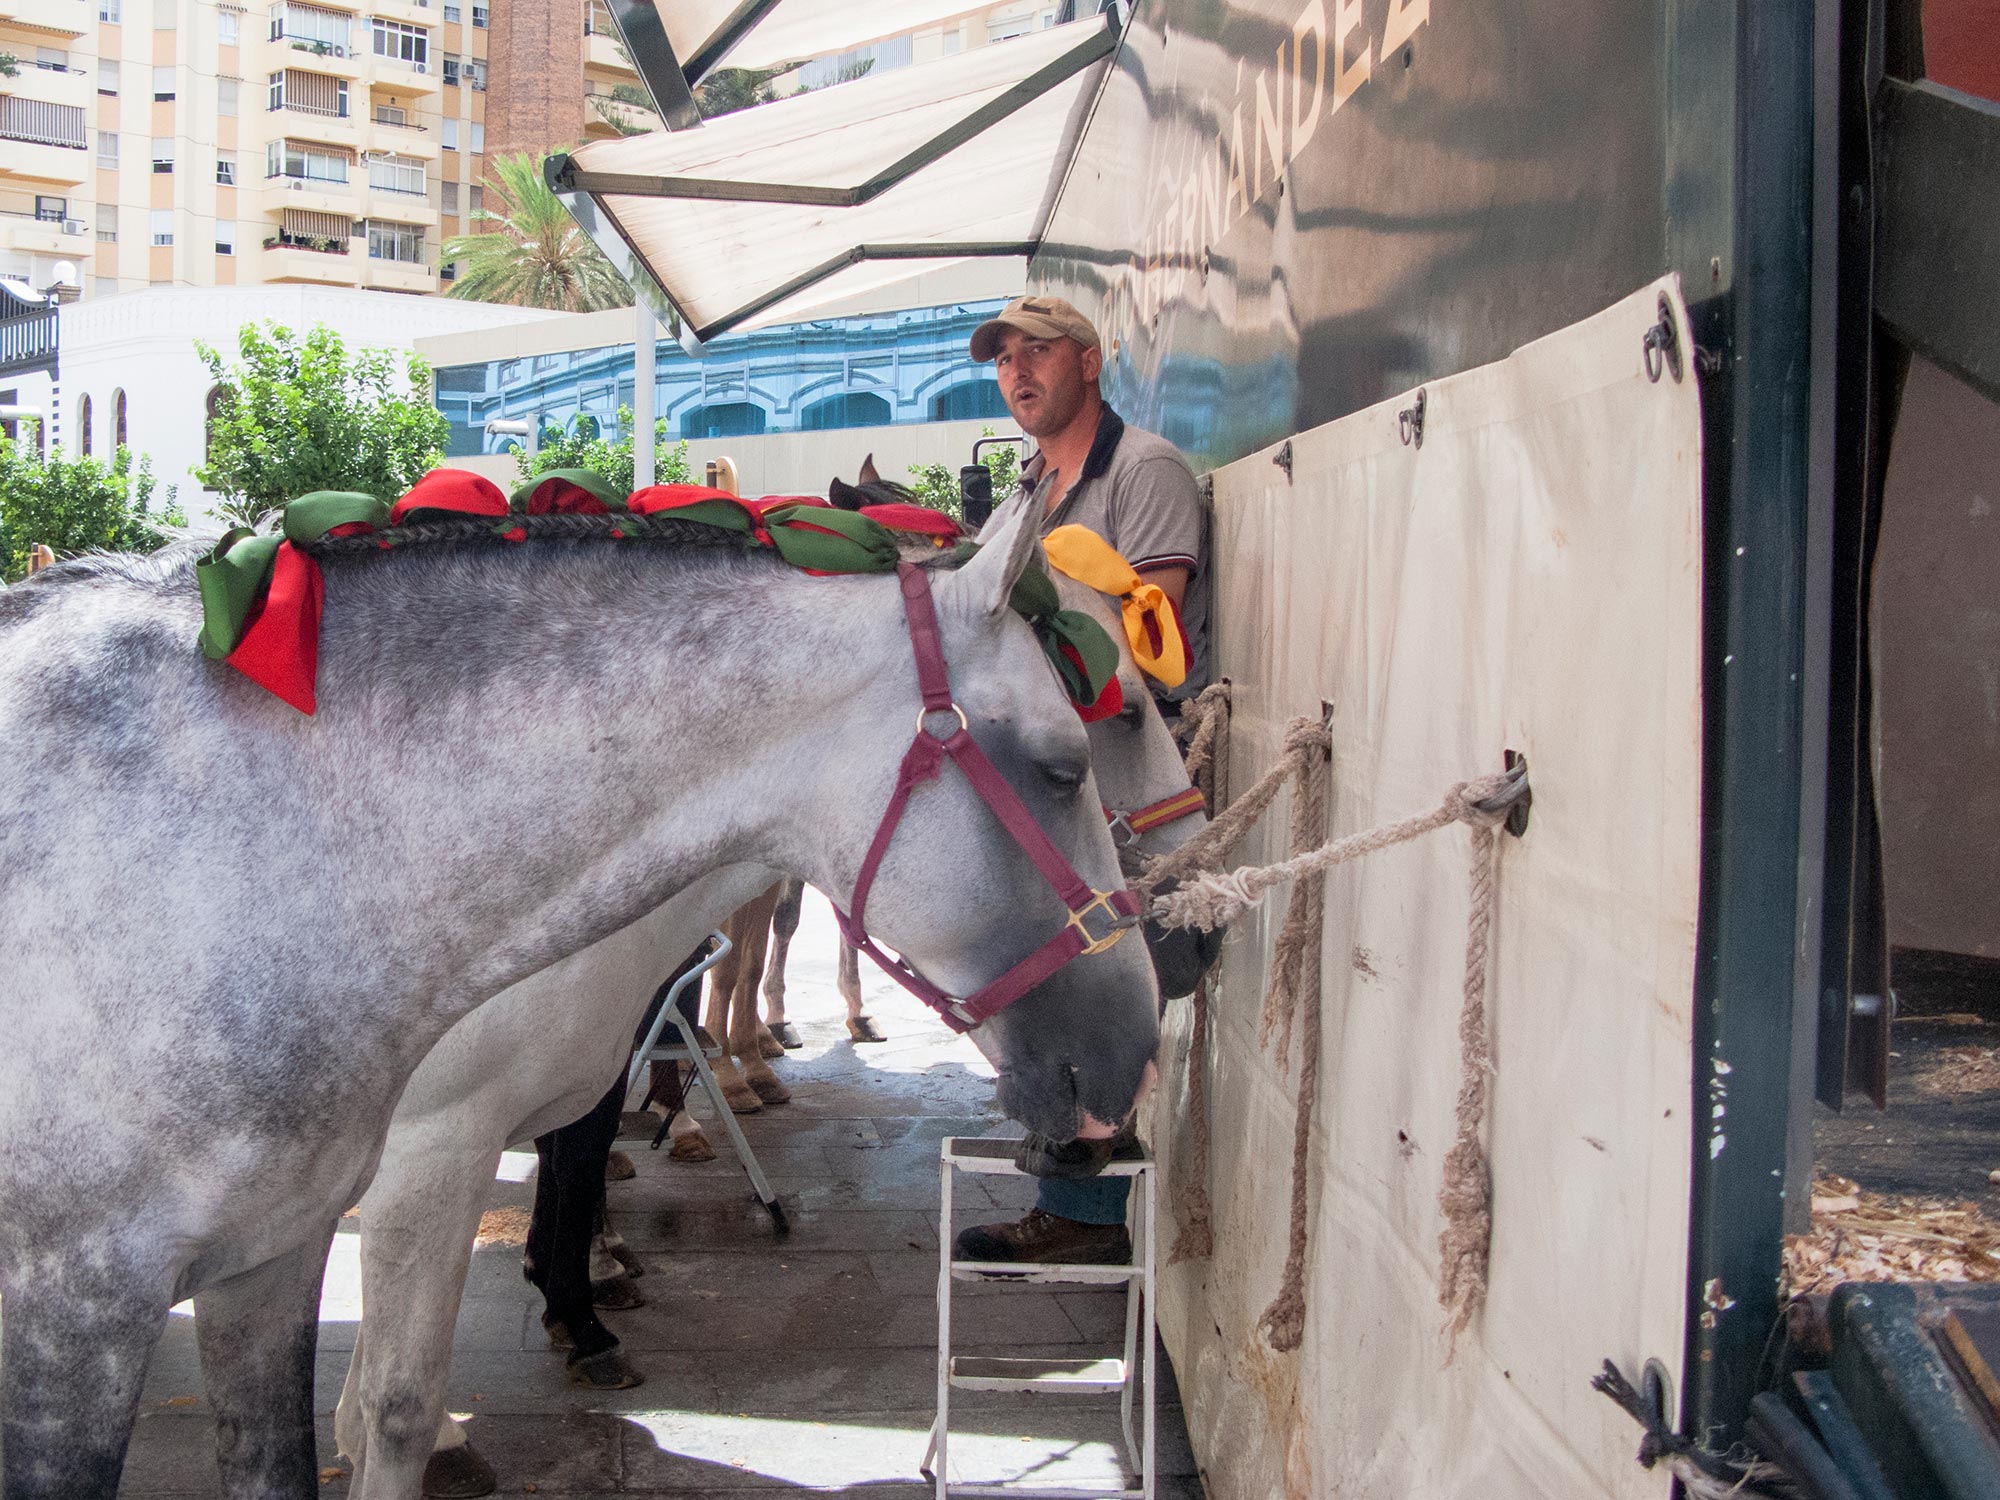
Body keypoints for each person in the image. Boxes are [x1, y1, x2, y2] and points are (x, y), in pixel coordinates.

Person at [953, 294, 1210, 1266]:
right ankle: (1070, 1192)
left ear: (1089, 362)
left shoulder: (1139, 472)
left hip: (1123, 781)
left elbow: (1145, 643)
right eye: (1003, 359)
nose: (1018, 372)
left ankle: (1085, 1213)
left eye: (1038, 354)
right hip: (1054, 785)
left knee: (1104, 986)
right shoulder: (1029, 483)